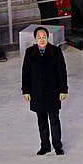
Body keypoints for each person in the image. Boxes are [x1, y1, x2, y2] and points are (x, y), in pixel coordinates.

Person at [22, 26, 68, 155]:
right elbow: (26, 73)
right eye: (39, 37)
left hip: (52, 92)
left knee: (54, 120)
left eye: (44, 37)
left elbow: (61, 72)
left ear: (47, 37)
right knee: (41, 121)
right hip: (37, 92)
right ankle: (45, 146)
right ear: (35, 38)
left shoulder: (55, 51)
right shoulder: (30, 52)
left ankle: (57, 145)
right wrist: (26, 91)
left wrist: (63, 90)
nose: (42, 40)